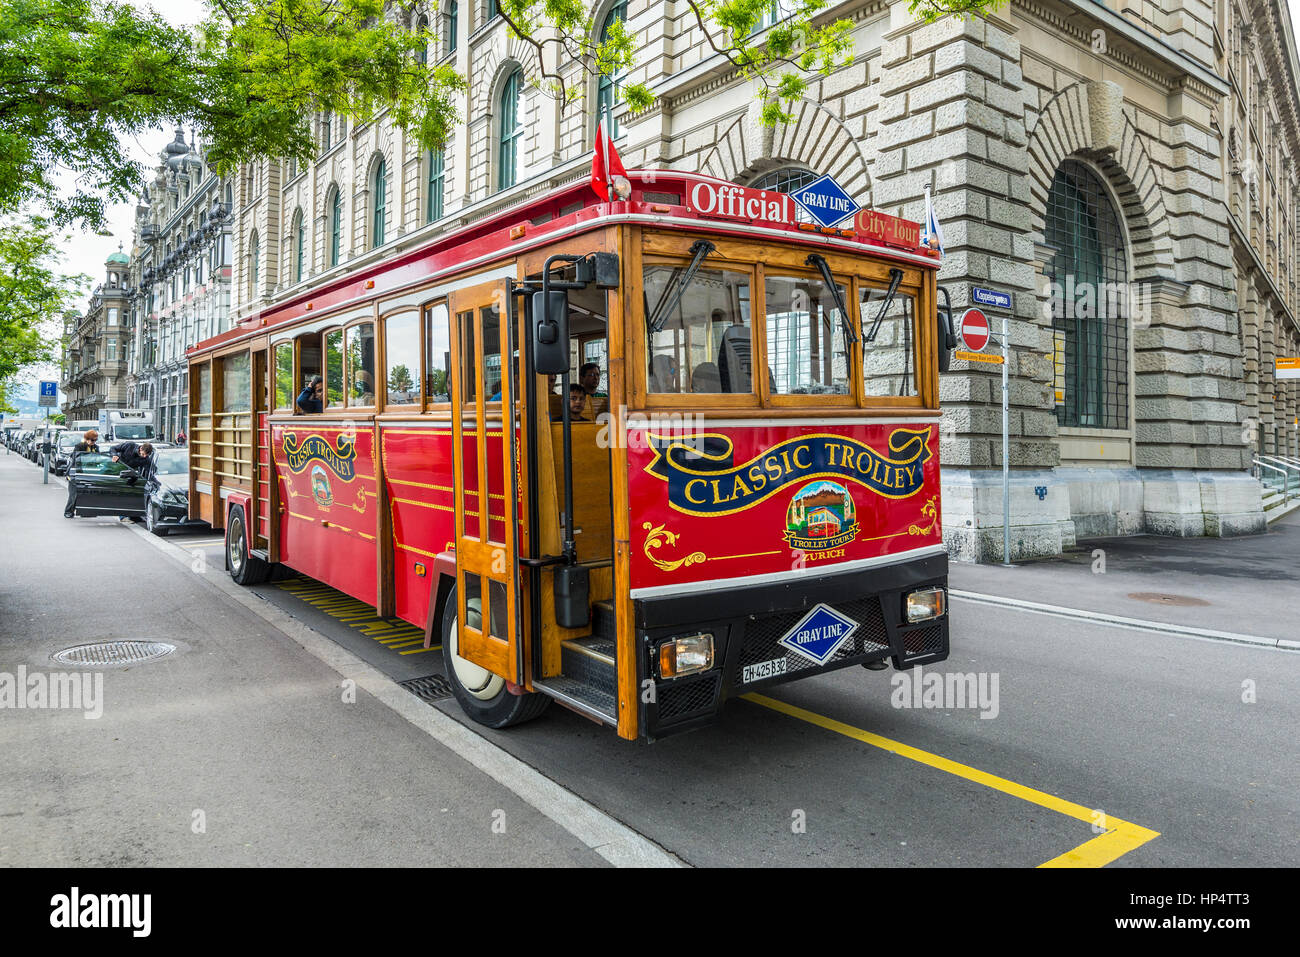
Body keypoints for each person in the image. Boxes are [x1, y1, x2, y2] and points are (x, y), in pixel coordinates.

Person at [63, 430, 99, 518]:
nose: (93, 442)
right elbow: (76, 459)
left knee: (86, 493)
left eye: (95, 440)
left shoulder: (96, 447)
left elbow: (97, 459)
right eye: (92, 440)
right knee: (74, 494)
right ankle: (68, 511)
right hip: (75, 473)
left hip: (89, 473)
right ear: (86, 439)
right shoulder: (79, 446)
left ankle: (84, 511)